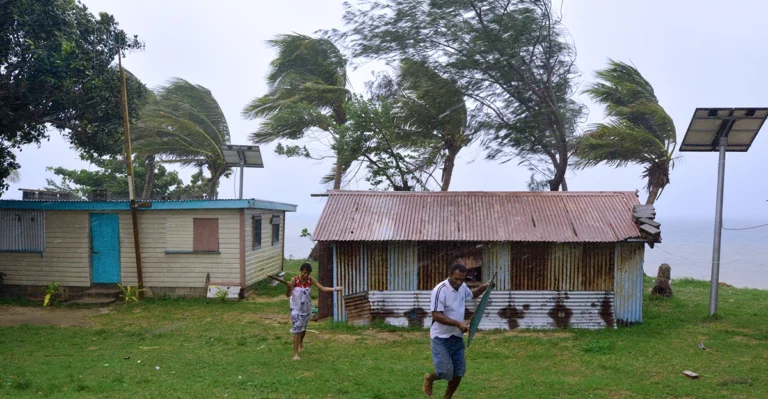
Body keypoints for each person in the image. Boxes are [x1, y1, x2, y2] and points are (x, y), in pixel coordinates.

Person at [423, 264, 490, 398]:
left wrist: (485, 287)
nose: (459, 283)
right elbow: (436, 315)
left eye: (462, 279)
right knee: (444, 372)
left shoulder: (462, 287)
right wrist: (458, 323)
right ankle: (430, 377)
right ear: (450, 274)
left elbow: (471, 295)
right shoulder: (440, 290)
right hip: (440, 338)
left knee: (458, 372)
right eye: (456, 279)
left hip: (457, 337)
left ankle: (447, 397)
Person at [286, 262, 342, 360]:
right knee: (297, 329)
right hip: (296, 308)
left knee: (303, 328)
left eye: (308, 273)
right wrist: (289, 287)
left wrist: (335, 289)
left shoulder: (310, 280)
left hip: (306, 308)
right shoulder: (294, 280)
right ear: (301, 271)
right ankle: (295, 354)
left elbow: (323, 288)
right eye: (304, 273)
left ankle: (300, 343)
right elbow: (288, 295)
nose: (306, 275)